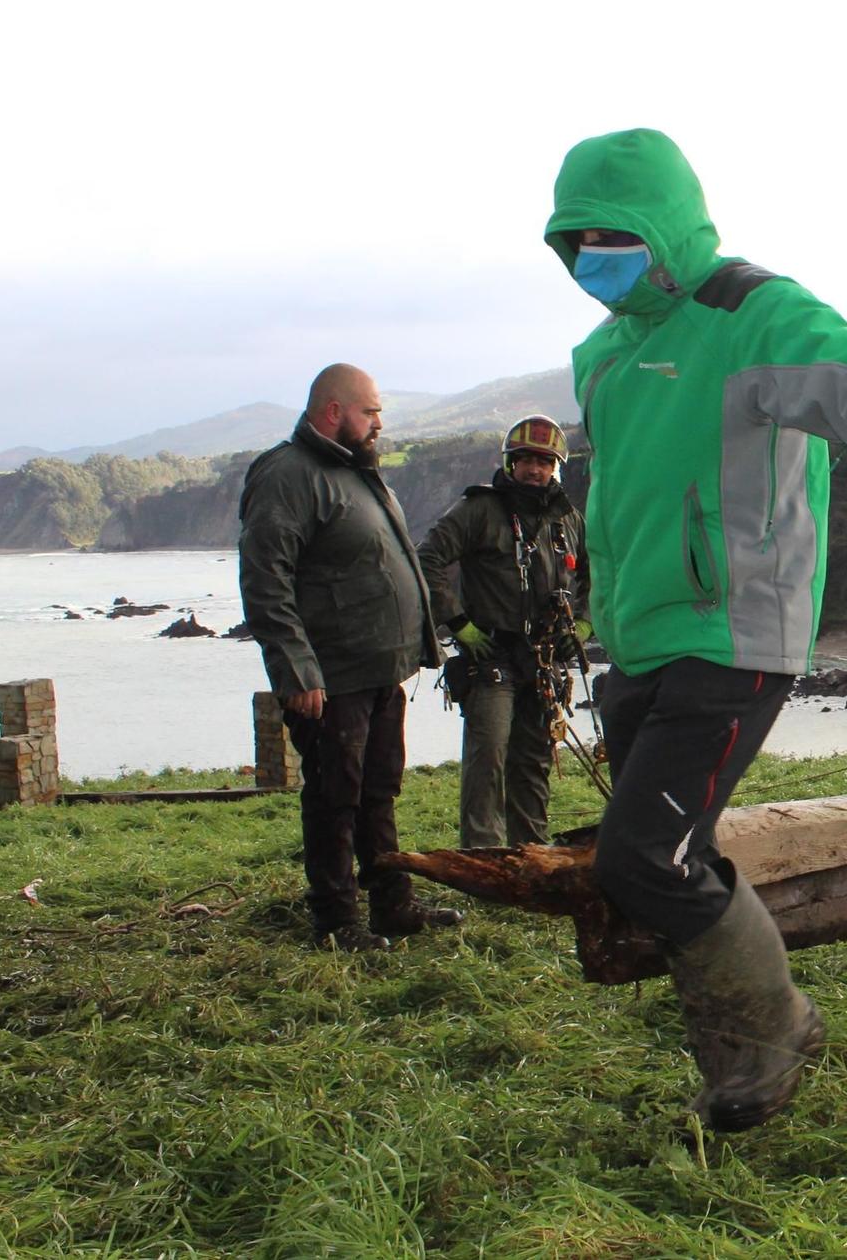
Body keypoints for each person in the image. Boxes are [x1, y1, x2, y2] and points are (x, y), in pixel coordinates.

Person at [544, 127, 847, 1131]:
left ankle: (767, 1041)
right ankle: (733, 1046)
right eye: (578, 238)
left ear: (666, 225)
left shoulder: (749, 314)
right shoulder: (601, 355)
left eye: (617, 233)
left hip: (736, 639)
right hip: (638, 646)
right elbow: (615, 509)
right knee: (663, 852)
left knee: (642, 859)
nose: (597, 254)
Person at [238, 363, 464, 952]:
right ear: (334, 412)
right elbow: (267, 578)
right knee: (335, 797)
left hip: (379, 670)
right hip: (331, 677)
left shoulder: (353, 469)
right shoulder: (288, 475)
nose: (379, 424)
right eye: (371, 412)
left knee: (378, 791)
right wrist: (295, 668)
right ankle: (336, 922)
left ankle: (393, 905)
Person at [417, 415, 590, 848]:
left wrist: (585, 625)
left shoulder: (568, 520)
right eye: (526, 460)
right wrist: (458, 624)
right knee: (488, 755)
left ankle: (531, 853)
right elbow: (428, 559)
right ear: (511, 463)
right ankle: (484, 857)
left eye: (545, 461)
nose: (535, 469)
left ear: (556, 467)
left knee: (533, 760)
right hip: (491, 654)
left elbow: (596, 575)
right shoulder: (479, 509)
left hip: (544, 659)